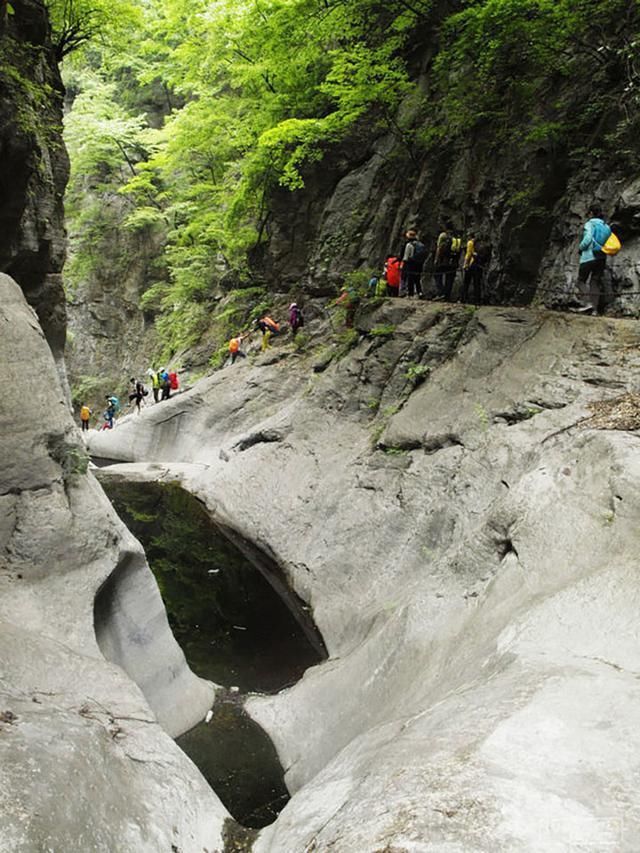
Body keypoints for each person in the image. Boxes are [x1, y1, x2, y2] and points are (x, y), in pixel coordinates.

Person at [573, 205, 612, 315]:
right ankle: (594, 310)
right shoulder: (606, 227)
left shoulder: (590, 224)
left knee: (580, 281)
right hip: (601, 257)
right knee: (595, 282)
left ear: (591, 213)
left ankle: (587, 303)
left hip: (589, 257)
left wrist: (580, 247)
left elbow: (588, 239)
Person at [433, 221, 457, 301]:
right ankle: (447, 295)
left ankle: (440, 293)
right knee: (449, 279)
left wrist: (436, 259)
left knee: (437, 275)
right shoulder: (456, 237)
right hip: (453, 261)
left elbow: (439, 248)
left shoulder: (443, 235)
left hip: (442, 260)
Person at [401, 229, 426, 298]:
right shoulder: (420, 244)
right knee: (417, 279)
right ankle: (419, 292)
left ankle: (410, 294)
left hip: (411, 263)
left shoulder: (409, 245)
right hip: (419, 264)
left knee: (410, 279)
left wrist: (404, 263)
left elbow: (406, 256)